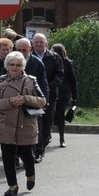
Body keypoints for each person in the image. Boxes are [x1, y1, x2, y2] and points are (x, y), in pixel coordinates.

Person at [0, 51, 46, 196]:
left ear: (23, 66)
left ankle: (30, 174)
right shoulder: (0, 81)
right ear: (7, 66)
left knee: (27, 156)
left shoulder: (31, 81)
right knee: (7, 158)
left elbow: (42, 101)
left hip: (25, 125)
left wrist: (26, 99)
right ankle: (12, 186)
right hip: (5, 125)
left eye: (18, 65)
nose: (14, 67)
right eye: (12, 64)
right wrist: (9, 102)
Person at [31, 33, 64, 163]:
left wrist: (48, 87)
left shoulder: (55, 57)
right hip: (32, 95)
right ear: (32, 44)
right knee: (34, 122)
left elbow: (60, 75)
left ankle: (41, 146)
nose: (39, 44)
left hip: (50, 95)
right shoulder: (29, 57)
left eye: (41, 42)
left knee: (47, 122)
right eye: (36, 42)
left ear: (46, 43)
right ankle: (36, 149)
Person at [51, 43, 77, 148]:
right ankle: (48, 135)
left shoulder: (67, 63)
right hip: (53, 90)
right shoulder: (51, 61)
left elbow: (72, 80)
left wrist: (75, 96)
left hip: (64, 93)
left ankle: (62, 138)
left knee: (60, 113)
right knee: (50, 114)